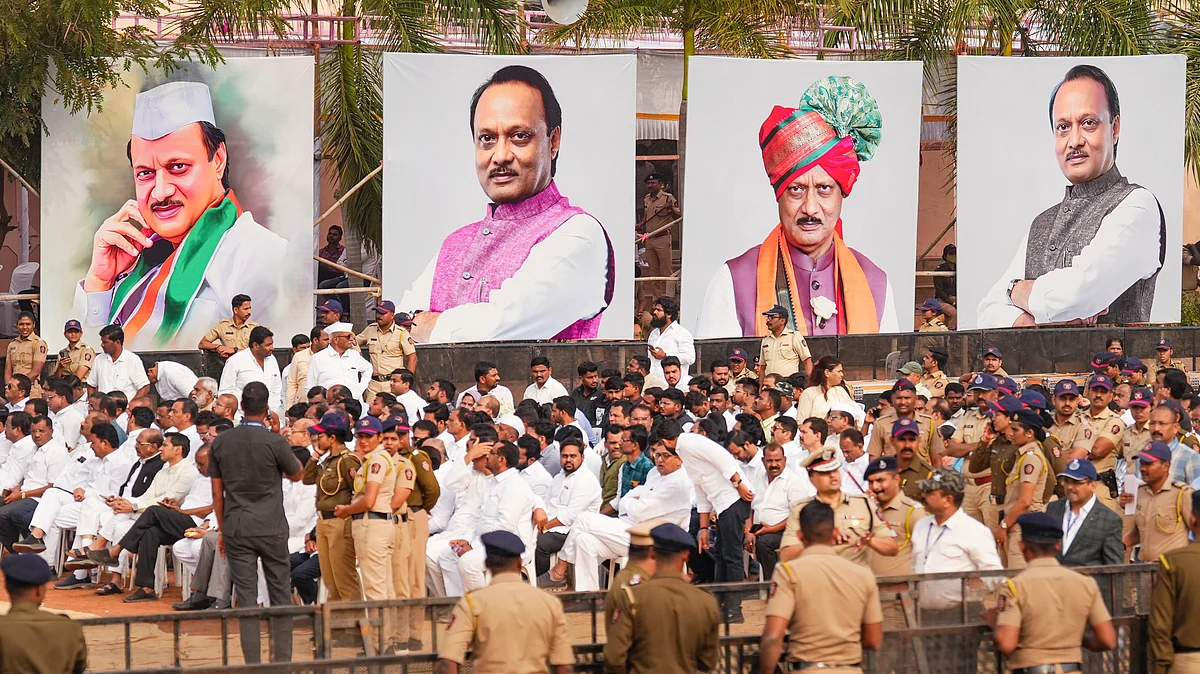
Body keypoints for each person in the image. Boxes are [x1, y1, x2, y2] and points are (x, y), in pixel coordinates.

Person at [399, 65, 614, 343]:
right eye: (487, 139)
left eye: (519, 136)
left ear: (554, 140)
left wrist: (428, 324)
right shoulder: (454, 243)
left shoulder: (579, 234)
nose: (500, 155)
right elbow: (399, 325)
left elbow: (497, 330)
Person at [73, 81, 287, 349]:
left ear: (218, 160)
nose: (160, 192)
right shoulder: (136, 262)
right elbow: (91, 358)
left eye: (178, 167)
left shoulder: (266, 259)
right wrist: (101, 282)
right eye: (145, 174)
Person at [697, 75, 898, 337]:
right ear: (778, 195)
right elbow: (713, 376)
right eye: (796, 190)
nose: (810, 208)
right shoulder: (733, 280)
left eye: (824, 189)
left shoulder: (876, 284)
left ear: (842, 194)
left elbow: (884, 376)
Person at [979, 65, 1165, 327]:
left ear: (1114, 128)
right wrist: (1035, 314)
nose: (1074, 140)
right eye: (1063, 127)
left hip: (1111, 368)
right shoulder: (1041, 223)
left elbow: (1077, 295)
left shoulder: (1137, 205)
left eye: (1088, 123)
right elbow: (987, 312)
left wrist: (1013, 293)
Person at [208, 381, 304, 664]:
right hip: (271, 526)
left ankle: (253, 663)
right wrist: (277, 436)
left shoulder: (222, 441)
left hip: (237, 526)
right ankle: (282, 661)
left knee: (247, 597)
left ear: (240, 407)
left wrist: (223, 529)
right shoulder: (274, 441)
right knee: (280, 593)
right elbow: (297, 474)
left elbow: (217, 492)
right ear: (266, 409)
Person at [760, 501, 883, 674]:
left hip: (806, 668)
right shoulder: (862, 574)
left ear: (800, 536)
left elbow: (773, 637)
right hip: (851, 669)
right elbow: (873, 640)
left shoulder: (788, 572)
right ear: (835, 533)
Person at [985, 512, 1117, 670]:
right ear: (1058, 546)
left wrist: (997, 624)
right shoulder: (1085, 583)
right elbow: (1107, 639)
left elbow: (1006, 643)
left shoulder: (1015, 586)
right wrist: (1075, 638)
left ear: (1022, 546)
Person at [438, 530, 574, 674]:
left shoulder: (472, 603)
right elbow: (564, 665)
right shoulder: (549, 603)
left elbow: (448, 661)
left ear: (486, 563)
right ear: (519, 563)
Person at [603, 523, 719, 674]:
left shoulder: (633, 596)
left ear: (652, 552)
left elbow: (614, 657)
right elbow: (708, 662)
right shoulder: (706, 602)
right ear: (686, 554)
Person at [911, 469, 1003, 625]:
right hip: (923, 614)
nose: (923, 496)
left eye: (930, 493)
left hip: (961, 615)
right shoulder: (922, 525)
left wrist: (979, 582)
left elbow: (995, 574)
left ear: (948, 499)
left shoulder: (974, 530)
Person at [778, 448, 896, 566]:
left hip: (855, 577)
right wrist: (819, 542)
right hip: (818, 577)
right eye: (825, 472)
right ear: (812, 479)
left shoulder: (863, 504)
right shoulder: (801, 510)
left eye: (835, 470)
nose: (832, 475)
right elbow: (786, 555)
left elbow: (892, 547)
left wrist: (869, 541)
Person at [301, 413, 361, 605]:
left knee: (343, 577)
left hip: (340, 522)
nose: (317, 439)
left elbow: (358, 492)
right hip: (323, 522)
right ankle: (337, 625)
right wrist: (316, 454)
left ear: (332, 437)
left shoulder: (347, 461)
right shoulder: (328, 460)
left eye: (321, 435)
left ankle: (355, 625)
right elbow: (307, 478)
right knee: (330, 579)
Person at [0, 554, 87, 674]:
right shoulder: (69, 628)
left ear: (7, 588)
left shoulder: (3, 629)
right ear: (38, 590)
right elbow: (79, 667)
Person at [745, 443, 814, 579]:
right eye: (770, 461)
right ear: (763, 461)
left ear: (785, 460)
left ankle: (773, 584)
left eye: (778, 460)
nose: (774, 464)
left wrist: (771, 529)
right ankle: (739, 584)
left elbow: (798, 515)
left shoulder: (794, 482)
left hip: (786, 531)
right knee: (730, 536)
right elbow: (749, 508)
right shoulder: (758, 480)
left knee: (764, 543)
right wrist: (748, 532)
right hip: (758, 529)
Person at [1149, 490, 1200, 673]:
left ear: (1193, 519)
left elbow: (1160, 624)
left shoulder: (1173, 562)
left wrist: (1161, 666)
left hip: (1188, 662)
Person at [994, 409, 1050, 569]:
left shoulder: (1031, 458)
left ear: (1030, 433)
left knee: (1018, 578)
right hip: (1015, 523)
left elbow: (1025, 501)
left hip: (1022, 526)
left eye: (1015, 429)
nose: (1010, 433)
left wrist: (1003, 526)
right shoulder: (1023, 456)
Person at [1124, 440, 1195, 562]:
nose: (1143, 469)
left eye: (1149, 464)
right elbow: (1140, 531)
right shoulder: (1141, 491)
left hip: (1173, 569)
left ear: (1166, 466)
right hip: (1144, 567)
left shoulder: (1182, 493)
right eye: (1142, 464)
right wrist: (1120, 544)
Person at [1045, 459, 1123, 566]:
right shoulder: (1053, 508)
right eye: (1067, 481)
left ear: (1093, 486)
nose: (1070, 487)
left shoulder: (1109, 520)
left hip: (1088, 581)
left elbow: (1114, 566)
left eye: (1077, 482)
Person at [357, 300, 418, 404]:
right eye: (377, 312)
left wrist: (406, 383)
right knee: (370, 413)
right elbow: (352, 342)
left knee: (393, 413)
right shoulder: (370, 330)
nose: (379, 316)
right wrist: (358, 353)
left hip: (392, 384)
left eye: (383, 313)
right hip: (374, 383)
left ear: (392, 315)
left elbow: (413, 359)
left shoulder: (401, 333)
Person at [218, 326, 283, 415]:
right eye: (268, 345)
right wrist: (237, 416)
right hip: (242, 417)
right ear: (255, 345)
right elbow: (225, 392)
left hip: (269, 416)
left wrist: (272, 412)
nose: (272, 348)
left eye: (272, 344)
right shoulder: (235, 361)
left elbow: (276, 389)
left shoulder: (272, 359)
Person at [638, 172, 681, 303]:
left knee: (666, 271)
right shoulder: (647, 199)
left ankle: (668, 301)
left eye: (653, 183)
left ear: (660, 184)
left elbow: (678, 217)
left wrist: (671, 209)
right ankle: (657, 301)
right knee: (653, 273)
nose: (650, 185)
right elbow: (647, 214)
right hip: (649, 239)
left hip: (662, 238)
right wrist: (641, 224)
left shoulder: (668, 198)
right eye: (648, 183)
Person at [305, 322, 370, 401]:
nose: (352, 339)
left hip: (353, 404)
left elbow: (368, 369)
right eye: (348, 337)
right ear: (336, 339)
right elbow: (310, 386)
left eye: (352, 336)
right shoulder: (318, 358)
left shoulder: (354, 355)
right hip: (328, 406)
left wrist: (360, 388)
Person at [86, 325, 150, 400]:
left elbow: (144, 387)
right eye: (102, 341)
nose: (102, 345)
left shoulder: (133, 360)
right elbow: (91, 384)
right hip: (103, 409)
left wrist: (131, 406)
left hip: (126, 409)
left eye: (105, 342)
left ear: (117, 342)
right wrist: (93, 404)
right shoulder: (98, 359)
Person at [756, 304, 813, 379]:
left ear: (782, 321)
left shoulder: (794, 336)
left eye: (772, 317)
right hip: (770, 385)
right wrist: (761, 387)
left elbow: (807, 361)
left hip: (787, 383)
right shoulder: (766, 339)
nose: (768, 320)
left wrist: (809, 384)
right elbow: (762, 367)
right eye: (767, 317)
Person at [646, 297, 694, 383]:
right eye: (655, 309)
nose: (654, 312)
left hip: (674, 385)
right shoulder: (654, 333)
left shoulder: (681, 333)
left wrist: (665, 355)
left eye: (659, 310)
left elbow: (690, 358)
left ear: (669, 314)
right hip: (654, 383)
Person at [5, 312, 47, 398]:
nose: (24, 327)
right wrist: (9, 387)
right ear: (17, 325)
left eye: (28, 324)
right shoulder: (12, 344)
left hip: (31, 389)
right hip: (14, 390)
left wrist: (21, 387)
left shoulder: (38, 343)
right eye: (21, 324)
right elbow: (8, 370)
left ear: (34, 325)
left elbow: (35, 372)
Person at [287, 327, 327, 408]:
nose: (329, 342)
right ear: (316, 340)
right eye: (326, 339)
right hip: (303, 406)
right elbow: (292, 384)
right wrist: (289, 407)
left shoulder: (331, 357)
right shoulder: (299, 356)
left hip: (324, 407)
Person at [933, 243, 957, 328]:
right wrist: (951, 301)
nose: (954, 255)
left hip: (957, 299)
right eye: (951, 253)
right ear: (945, 256)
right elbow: (939, 291)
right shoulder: (939, 270)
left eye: (955, 253)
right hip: (942, 300)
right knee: (953, 312)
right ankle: (951, 336)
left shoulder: (960, 268)